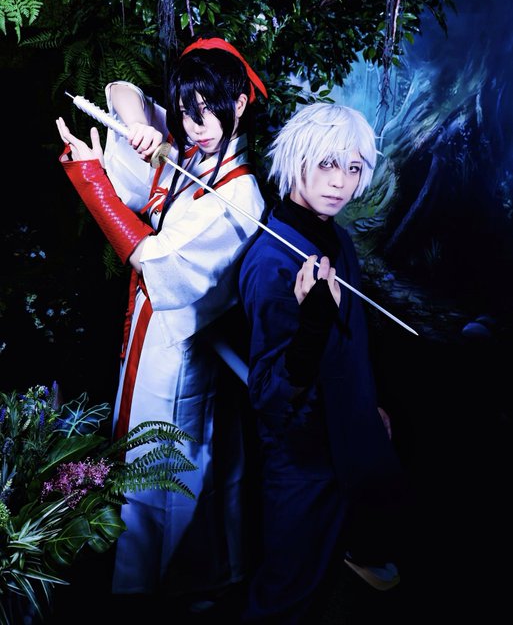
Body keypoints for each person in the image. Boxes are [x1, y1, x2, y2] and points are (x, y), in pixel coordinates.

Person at [55, 36, 267, 617]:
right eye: (186, 110)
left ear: (240, 104)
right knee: (142, 457)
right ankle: (142, 582)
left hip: (180, 352)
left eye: (210, 109)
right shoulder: (190, 155)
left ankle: (176, 588)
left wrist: (91, 179)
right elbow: (121, 90)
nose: (197, 124)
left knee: (171, 467)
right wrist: (138, 129)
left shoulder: (239, 194)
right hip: (147, 336)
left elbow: (153, 259)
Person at [238, 102, 411, 623]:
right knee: (284, 596)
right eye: (328, 164)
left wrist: (366, 406)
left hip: (349, 436)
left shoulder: (335, 236)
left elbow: (352, 340)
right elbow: (268, 398)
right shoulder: (270, 263)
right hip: (302, 458)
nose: (341, 182)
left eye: (354, 168)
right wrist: (312, 325)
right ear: (298, 161)